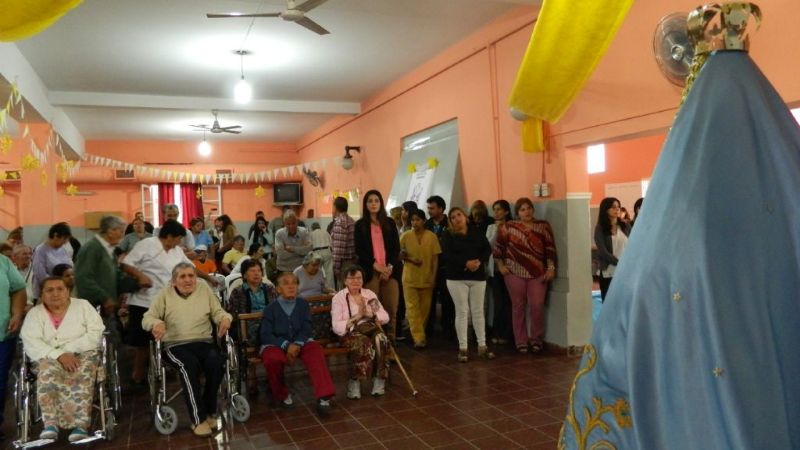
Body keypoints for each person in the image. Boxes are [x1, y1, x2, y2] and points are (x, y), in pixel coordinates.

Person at [121, 220, 219, 385]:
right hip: (143, 301)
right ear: (169, 236)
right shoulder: (147, 244)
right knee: (143, 343)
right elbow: (126, 264)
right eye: (178, 239)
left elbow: (190, 268)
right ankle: (137, 376)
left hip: (167, 300)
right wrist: (140, 276)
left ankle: (165, 368)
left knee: (168, 336)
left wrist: (208, 277)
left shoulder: (176, 251)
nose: (179, 243)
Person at [142, 263, 232, 437]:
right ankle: (198, 419)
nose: (188, 280)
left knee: (217, 362)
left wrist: (225, 319)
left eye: (191, 276)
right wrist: (156, 323)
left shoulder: (204, 288)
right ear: (174, 281)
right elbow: (147, 318)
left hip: (203, 341)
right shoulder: (165, 294)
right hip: (174, 345)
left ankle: (210, 410)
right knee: (188, 366)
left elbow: (218, 312)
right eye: (182, 276)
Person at [20, 277, 104, 443]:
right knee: (47, 371)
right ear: (42, 294)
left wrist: (68, 351)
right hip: (47, 356)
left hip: (83, 353)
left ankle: (80, 426)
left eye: (60, 289)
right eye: (49, 290)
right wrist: (57, 354)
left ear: (68, 291)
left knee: (82, 371)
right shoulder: (34, 314)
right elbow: (31, 340)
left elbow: (96, 332)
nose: (55, 293)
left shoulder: (83, 306)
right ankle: (50, 425)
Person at [259, 272, 335, 416]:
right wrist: (287, 345)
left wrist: (298, 344)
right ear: (278, 289)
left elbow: (307, 328)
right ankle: (282, 394)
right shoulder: (270, 309)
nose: (291, 286)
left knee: (315, 351)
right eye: (286, 283)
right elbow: (266, 335)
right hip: (277, 343)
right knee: (272, 359)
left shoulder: (303, 304)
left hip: (301, 341)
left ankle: (324, 396)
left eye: (294, 283)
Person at [494, 198, 557, 354]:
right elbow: (498, 248)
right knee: (518, 307)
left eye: (529, 208)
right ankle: (521, 341)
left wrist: (551, 268)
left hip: (538, 273)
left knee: (537, 306)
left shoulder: (543, 226)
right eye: (522, 209)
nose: (526, 212)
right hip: (514, 272)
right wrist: (501, 266)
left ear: (533, 210)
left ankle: (536, 339)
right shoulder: (508, 227)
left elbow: (550, 249)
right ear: (517, 213)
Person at [442, 207, 495, 362]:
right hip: (456, 277)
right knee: (462, 311)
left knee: (478, 311)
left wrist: (478, 262)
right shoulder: (448, 235)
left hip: (477, 275)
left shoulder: (476, 231)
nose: (456, 218)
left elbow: (487, 249)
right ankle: (463, 348)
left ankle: (482, 346)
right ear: (450, 221)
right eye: (453, 217)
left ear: (465, 217)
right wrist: (466, 263)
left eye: (459, 215)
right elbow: (447, 254)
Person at [331, 265, 390, 399]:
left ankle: (379, 379)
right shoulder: (339, 298)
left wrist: (369, 314)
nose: (355, 281)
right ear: (345, 281)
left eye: (359, 278)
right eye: (351, 278)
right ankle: (355, 382)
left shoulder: (369, 295)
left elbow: (384, 316)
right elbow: (336, 325)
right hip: (350, 332)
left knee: (381, 339)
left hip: (370, 327)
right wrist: (357, 316)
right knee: (363, 342)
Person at [354, 190, 401, 341]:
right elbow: (360, 251)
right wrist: (377, 267)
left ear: (381, 203)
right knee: (373, 308)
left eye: (376, 201)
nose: (373, 204)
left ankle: (391, 343)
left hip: (390, 272)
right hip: (371, 271)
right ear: (365, 204)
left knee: (391, 307)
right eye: (370, 201)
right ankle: (376, 341)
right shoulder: (360, 225)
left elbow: (396, 248)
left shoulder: (390, 223)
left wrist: (389, 268)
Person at [227, 259, 277, 395]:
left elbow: (276, 310)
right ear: (244, 275)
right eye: (252, 271)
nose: (256, 274)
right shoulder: (237, 292)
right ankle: (252, 372)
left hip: (268, 324)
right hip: (247, 328)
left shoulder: (270, 289)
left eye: (259, 271)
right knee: (249, 334)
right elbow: (232, 315)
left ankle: (272, 373)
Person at [399, 209, 440, 349]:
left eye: (417, 220)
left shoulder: (432, 237)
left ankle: (418, 334)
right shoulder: (405, 236)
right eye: (412, 220)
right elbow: (398, 255)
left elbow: (435, 259)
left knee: (424, 309)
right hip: (409, 278)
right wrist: (409, 258)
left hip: (427, 278)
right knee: (412, 308)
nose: (414, 223)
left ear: (423, 221)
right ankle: (419, 338)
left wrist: (434, 277)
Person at [0, 249, 27, 439]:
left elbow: (18, 288)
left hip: (2, 334)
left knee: (0, 382)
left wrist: (17, 314)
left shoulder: (3, 262)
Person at [425, 195, 453, 338]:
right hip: (430, 267)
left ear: (441, 209)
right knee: (429, 297)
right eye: (428, 208)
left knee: (448, 299)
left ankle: (448, 328)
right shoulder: (426, 225)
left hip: (446, 266)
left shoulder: (450, 223)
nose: (429, 211)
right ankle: (428, 328)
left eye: (432, 208)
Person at [486, 200, 513, 345]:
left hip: (510, 268)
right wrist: (497, 230)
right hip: (495, 269)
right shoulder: (491, 227)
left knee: (509, 301)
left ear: (506, 211)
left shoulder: (513, 226)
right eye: (494, 209)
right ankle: (497, 331)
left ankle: (508, 333)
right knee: (498, 301)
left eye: (499, 209)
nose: (496, 212)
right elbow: (488, 245)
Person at [594, 197, 630, 302]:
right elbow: (603, 251)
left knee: (624, 302)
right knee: (609, 302)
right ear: (606, 209)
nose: (617, 209)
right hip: (608, 271)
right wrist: (618, 262)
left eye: (618, 207)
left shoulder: (625, 225)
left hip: (625, 270)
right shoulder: (600, 228)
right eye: (613, 207)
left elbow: (633, 243)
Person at [31, 222, 73, 302]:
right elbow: (40, 273)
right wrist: (57, 284)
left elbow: (69, 266)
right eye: (64, 239)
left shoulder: (63, 250)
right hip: (46, 290)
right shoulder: (41, 250)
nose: (65, 242)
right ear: (55, 235)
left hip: (63, 288)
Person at [330, 196, 356, 290]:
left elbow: (338, 250)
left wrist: (336, 269)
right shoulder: (351, 220)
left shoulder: (340, 222)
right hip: (352, 262)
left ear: (335, 207)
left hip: (344, 264)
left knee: (345, 294)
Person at [309, 222, 334, 291]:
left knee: (317, 272)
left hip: (316, 252)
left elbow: (310, 245)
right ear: (319, 227)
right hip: (327, 250)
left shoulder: (311, 234)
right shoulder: (326, 232)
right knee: (329, 273)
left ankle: (318, 290)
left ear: (312, 228)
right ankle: (331, 291)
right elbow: (331, 243)